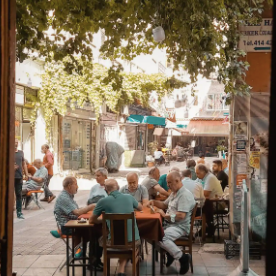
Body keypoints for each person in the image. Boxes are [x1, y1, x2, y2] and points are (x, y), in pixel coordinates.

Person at [90, 179, 142, 276]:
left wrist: (106, 220)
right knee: (128, 241)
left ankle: (118, 269)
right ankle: (122, 268)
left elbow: (91, 220)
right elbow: (140, 207)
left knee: (102, 238)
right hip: (132, 241)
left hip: (113, 242)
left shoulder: (103, 201)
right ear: (118, 187)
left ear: (105, 189)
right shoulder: (129, 197)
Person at [147, 172, 195, 275]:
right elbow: (164, 205)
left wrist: (164, 216)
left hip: (180, 227)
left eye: (170, 183)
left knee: (160, 236)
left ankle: (182, 257)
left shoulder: (184, 195)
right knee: (148, 234)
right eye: (167, 182)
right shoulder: (174, 193)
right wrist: (153, 202)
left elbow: (181, 215)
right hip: (170, 225)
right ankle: (170, 252)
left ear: (177, 181)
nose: (168, 185)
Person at [195, 164, 223, 236]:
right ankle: (207, 226)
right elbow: (194, 187)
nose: (196, 175)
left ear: (203, 172)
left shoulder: (210, 178)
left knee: (204, 205)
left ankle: (208, 226)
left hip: (218, 203)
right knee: (199, 205)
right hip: (207, 203)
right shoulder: (200, 178)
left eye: (198, 173)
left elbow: (205, 194)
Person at [14, 138, 29, 219]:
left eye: (16, 142)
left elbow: (24, 164)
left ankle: (19, 212)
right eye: (14, 142)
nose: (15, 144)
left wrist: (26, 174)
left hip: (19, 176)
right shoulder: (9, 152)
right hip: (10, 177)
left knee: (19, 194)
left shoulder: (21, 153)